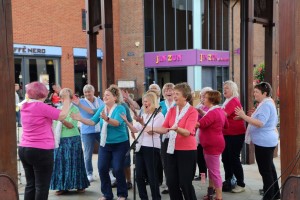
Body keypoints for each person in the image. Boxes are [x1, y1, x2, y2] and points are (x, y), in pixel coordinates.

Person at [72, 84, 129, 200]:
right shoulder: (102, 109)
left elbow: (117, 123)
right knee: (102, 168)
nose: (105, 97)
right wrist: (80, 119)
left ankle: (122, 194)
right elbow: (92, 122)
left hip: (120, 144)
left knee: (118, 168)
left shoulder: (120, 108)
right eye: (104, 95)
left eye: (108, 95)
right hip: (105, 144)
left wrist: (106, 118)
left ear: (115, 97)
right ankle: (107, 195)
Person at [18, 81, 71, 200]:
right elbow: (62, 115)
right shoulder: (40, 106)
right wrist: (67, 99)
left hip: (24, 148)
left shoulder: (24, 105)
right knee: (42, 186)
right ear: (43, 94)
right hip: (41, 150)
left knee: (30, 185)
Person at [145, 82, 198, 200]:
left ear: (185, 96)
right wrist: (152, 129)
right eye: (173, 93)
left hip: (187, 151)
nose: (174, 96)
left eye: (177, 94)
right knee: (171, 183)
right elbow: (164, 128)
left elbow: (187, 132)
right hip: (170, 149)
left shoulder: (192, 111)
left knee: (185, 183)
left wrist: (176, 128)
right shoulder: (172, 110)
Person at [235, 82, 280, 200]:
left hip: (264, 142)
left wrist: (244, 116)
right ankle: (275, 193)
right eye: (254, 91)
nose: (254, 94)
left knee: (265, 171)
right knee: (269, 168)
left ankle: (269, 196)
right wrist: (244, 116)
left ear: (265, 93)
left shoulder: (266, 105)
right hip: (265, 141)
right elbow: (259, 119)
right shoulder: (265, 103)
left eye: (256, 92)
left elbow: (260, 123)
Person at [121, 92, 164, 200]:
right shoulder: (144, 115)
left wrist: (142, 122)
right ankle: (143, 197)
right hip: (140, 147)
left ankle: (156, 198)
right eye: (144, 101)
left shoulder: (158, 115)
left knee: (152, 176)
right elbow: (135, 129)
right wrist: (126, 121)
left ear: (153, 102)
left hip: (152, 148)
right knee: (139, 176)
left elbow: (151, 132)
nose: (144, 103)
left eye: (147, 101)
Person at [50, 88, 90, 195]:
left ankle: (79, 185)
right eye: (62, 96)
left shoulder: (74, 110)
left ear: (71, 98)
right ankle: (62, 186)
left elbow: (71, 125)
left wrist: (61, 119)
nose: (63, 99)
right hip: (60, 140)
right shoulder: (57, 109)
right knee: (61, 163)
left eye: (66, 97)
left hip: (73, 139)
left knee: (75, 162)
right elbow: (53, 126)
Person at [199, 90, 228, 200]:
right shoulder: (218, 110)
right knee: (211, 170)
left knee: (214, 172)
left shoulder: (212, 112)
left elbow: (200, 123)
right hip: (215, 143)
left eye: (205, 98)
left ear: (211, 100)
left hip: (212, 145)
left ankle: (219, 197)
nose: (203, 99)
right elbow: (226, 125)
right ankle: (211, 193)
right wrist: (202, 114)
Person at [72, 84, 104, 182]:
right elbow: (68, 105)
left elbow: (93, 112)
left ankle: (108, 171)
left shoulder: (99, 101)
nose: (87, 94)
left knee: (105, 151)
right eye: (85, 92)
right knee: (87, 153)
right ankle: (89, 173)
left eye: (89, 91)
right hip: (87, 131)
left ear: (93, 92)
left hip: (100, 130)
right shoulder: (80, 101)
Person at [221, 80, 246, 193]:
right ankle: (229, 180)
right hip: (227, 134)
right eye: (224, 88)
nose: (224, 90)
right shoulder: (227, 100)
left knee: (233, 158)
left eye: (227, 88)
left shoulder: (233, 101)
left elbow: (223, 115)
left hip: (235, 135)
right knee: (226, 158)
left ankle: (240, 183)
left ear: (233, 89)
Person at [158, 83, 175, 194]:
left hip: (176, 136)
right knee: (165, 162)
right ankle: (169, 185)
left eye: (170, 90)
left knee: (175, 162)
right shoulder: (159, 104)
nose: (168, 92)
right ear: (163, 93)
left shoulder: (178, 104)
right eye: (166, 90)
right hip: (163, 137)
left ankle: (177, 184)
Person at [194, 87, 212, 181]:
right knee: (199, 157)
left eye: (204, 95)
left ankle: (204, 178)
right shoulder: (199, 105)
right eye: (202, 95)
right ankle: (202, 177)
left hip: (205, 135)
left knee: (205, 158)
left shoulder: (209, 107)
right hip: (197, 134)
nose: (202, 97)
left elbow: (209, 118)